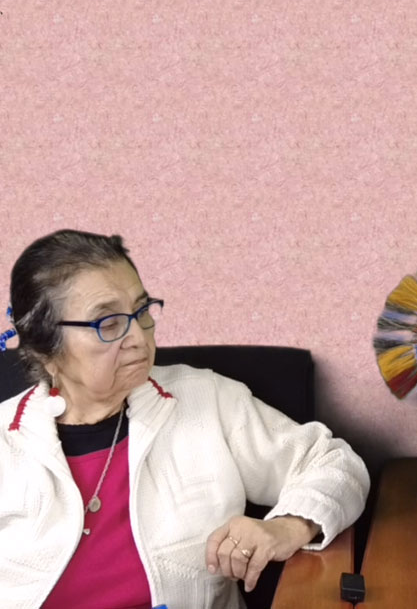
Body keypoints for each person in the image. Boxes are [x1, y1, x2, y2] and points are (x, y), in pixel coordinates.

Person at [0, 229, 369, 608]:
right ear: (44, 349)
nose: (139, 338)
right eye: (108, 324)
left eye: (142, 312)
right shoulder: (6, 443)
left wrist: (288, 526)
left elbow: (335, 464)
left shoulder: (204, 400)